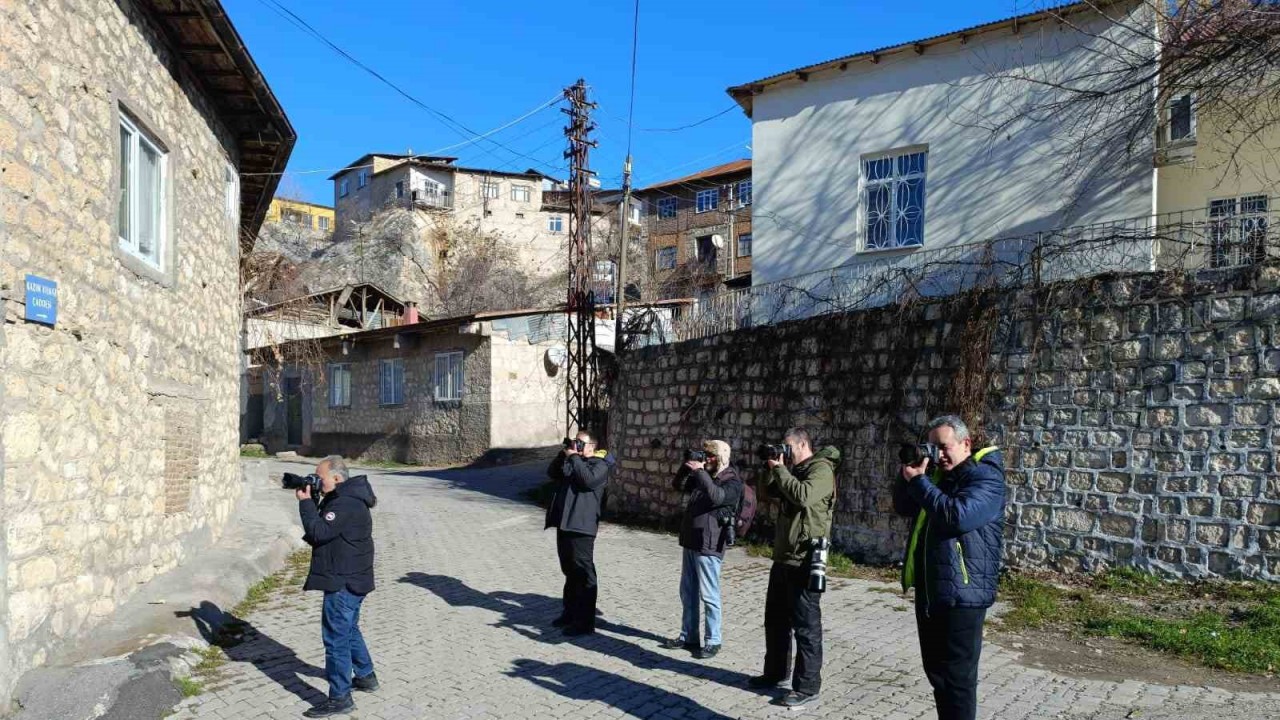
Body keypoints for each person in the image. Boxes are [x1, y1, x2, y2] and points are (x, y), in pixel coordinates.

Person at [894, 415, 1005, 720]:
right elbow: (903, 507)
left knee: (958, 681)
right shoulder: (940, 478)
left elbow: (957, 516)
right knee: (939, 677)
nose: (939, 455)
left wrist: (920, 482)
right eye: (933, 448)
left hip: (964, 594)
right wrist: (909, 474)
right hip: (933, 590)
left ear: (966, 444)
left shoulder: (986, 478)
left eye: (944, 447)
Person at [749, 427, 840, 708]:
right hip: (783, 556)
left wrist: (781, 469)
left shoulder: (821, 470)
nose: (784, 452)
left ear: (802, 444)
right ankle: (775, 673)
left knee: (806, 626)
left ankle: (807, 686)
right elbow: (767, 493)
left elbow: (802, 496)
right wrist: (770, 467)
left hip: (806, 557)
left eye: (787, 447)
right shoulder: (793, 470)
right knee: (775, 620)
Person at [296, 455, 379, 718]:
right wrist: (316, 501)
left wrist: (306, 504)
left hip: (344, 581)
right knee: (349, 629)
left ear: (337, 478)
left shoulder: (344, 503)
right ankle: (365, 676)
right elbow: (323, 533)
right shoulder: (344, 498)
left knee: (336, 639)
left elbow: (318, 533)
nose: (316, 482)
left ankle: (340, 697)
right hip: (354, 577)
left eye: (319, 478)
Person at [660, 440, 744, 659]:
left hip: (710, 543)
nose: (706, 460)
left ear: (722, 458)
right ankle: (688, 635)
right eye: (704, 456)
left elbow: (717, 496)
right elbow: (677, 486)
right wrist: (687, 466)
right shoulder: (703, 475)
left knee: (709, 595)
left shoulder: (732, 481)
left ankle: (713, 639)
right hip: (691, 540)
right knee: (687, 592)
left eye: (710, 456)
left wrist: (700, 473)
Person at [545, 431, 614, 636]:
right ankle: (570, 613)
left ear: (592, 446)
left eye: (580, 443)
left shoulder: (600, 464)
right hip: (565, 524)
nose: (576, 446)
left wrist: (574, 457)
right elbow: (552, 473)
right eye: (575, 442)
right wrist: (563, 455)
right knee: (570, 571)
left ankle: (585, 622)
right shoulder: (573, 461)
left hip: (582, 526)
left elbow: (587, 481)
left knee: (584, 574)